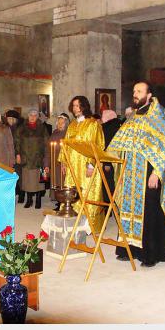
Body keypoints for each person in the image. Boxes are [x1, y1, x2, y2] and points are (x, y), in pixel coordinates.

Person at [107, 82, 165, 267]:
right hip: (130, 175)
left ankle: (150, 253)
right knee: (128, 210)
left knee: (150, 212)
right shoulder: (133, 118)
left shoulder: (156, 118)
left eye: (139, 91)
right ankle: (129, 249)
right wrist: (104, 156)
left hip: (148, 174)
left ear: (149, 95)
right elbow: (119, 143)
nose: (135, 94)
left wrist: (156, 173)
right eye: (134, 91)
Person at [58, 96, 105, 234]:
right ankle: (74, 221)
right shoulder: (72, 125)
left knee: (88, 193)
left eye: (78, 105)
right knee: (73, 192)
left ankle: (90, 225)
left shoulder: (93, 124)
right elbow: (65, 144)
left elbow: (98, 145)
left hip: (86, 165)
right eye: (73, 106)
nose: (75, 108)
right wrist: (64, 162)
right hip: (73, 165)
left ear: (84, 106)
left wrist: (92, 165)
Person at [43, 113, 70, 210]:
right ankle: (59, 201)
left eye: (62, 123)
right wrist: (46, 164)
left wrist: (66, 163)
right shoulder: (54, 133)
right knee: (56, 182)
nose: (60, 124)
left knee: (63, 183)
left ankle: (64, 202)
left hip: (63, 163)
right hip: (54, 163)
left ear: (66, 123)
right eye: (58, 122)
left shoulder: (68, 134)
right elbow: (48, 150)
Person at [100, 109, 121, 204]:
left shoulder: (109, 128)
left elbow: (108, 146)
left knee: (108, 184)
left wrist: (106, 162)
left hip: (108, 161)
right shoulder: (117, 126)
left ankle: (107, 204)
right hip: (114, 160)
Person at [6, 109, 25, 203]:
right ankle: (13, 193)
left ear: (15, 119)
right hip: (8, 155)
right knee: (10, 175)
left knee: (19, 175)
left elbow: (20, 143)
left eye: (11, 118)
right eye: (8, 118)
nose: (9, 120)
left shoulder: (20, 128)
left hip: (17, 154)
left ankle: (21, 194)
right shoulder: (6, 127)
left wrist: (18, 154)